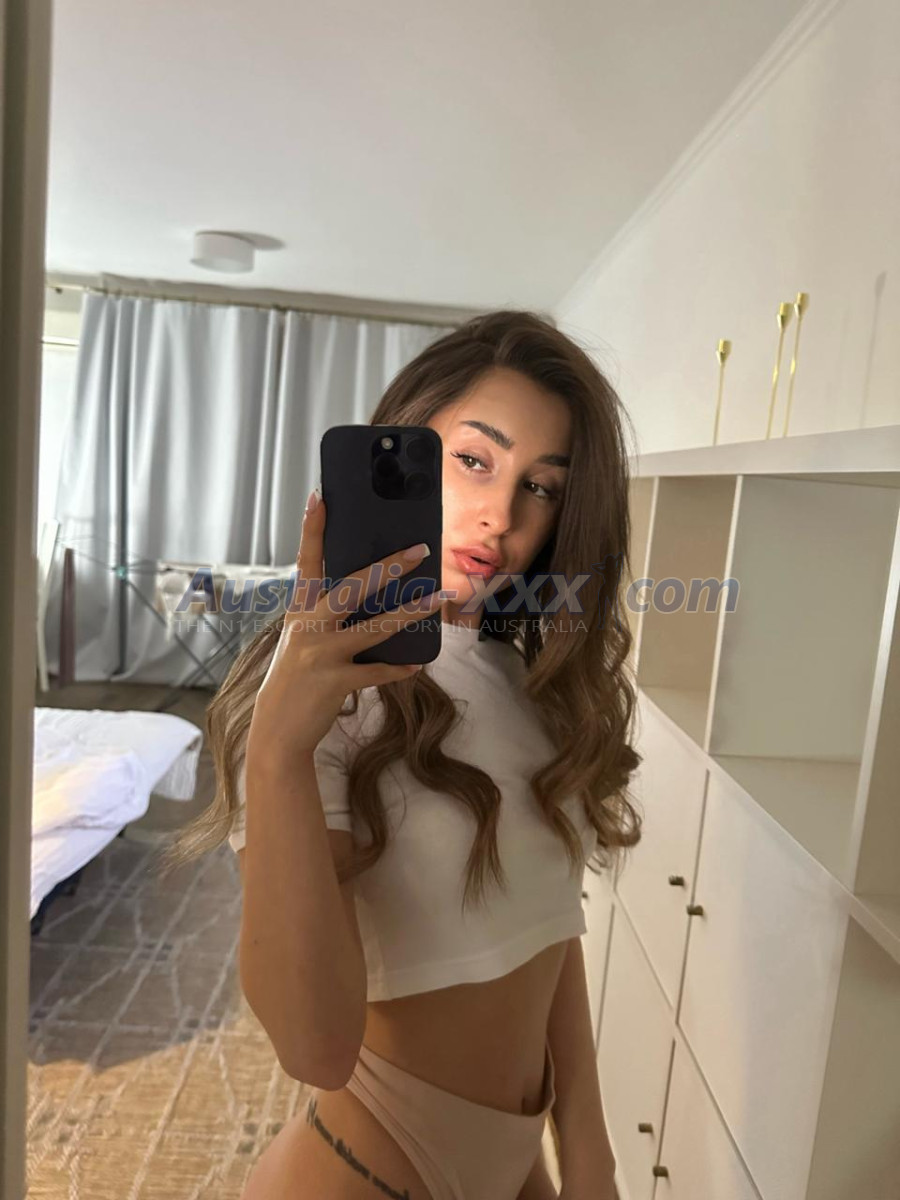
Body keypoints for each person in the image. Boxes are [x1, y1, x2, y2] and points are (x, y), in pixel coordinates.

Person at [163, 310, 641, 1199]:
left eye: (541, 486)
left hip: (520, 1173)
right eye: (474, 460)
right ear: (405, 445)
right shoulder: (321, 696)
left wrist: (589, 1148)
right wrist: (278, 749)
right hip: (365, 1175)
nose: (501, 515)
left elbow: (549, 924)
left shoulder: (528, 678)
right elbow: (314, 1048)